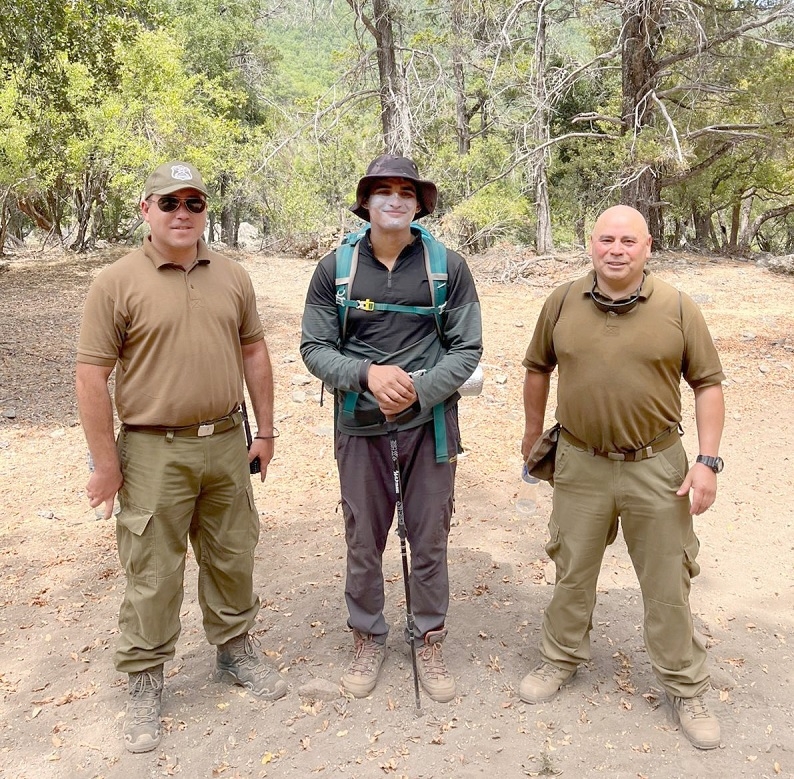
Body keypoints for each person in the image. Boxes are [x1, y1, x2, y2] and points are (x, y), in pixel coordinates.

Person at [75, 161, 287, 754]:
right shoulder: (115, 282)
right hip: (150, 449)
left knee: (232, 552)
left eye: (194, 203)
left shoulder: (233, 276)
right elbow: (92, 377)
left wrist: (265, 431)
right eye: (169, 203)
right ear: (146, 209)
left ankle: (235, 652)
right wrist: (106, 464)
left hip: (225, 442)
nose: (182, 214)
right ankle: (144, 680)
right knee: (153, 569)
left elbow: (254, 355)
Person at [520, 205, 725, 750]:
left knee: (667, 579)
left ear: (647, 246)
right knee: (571, 567)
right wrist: (531, 431)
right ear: (591, 244)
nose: (616, 249)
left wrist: (707, 461)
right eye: (606, 239)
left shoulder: (679, 308)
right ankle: (559, 658)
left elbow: (708, 384)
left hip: (658, 467)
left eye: (628, 241)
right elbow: (537, 367)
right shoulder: (561, 301)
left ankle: (685, 685)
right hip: (580, 462)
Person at [300, 155, 482, 702]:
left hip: (431, 424)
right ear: (366, 202)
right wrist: (368, 375)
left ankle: (429, 637)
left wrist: (418, 392)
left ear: (420, 203)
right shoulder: (335, 269)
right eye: (383, 190)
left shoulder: (448, 266)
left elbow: (467, 348)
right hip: (359, 422)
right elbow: (314, 347)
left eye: (407, 191)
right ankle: (367, 636)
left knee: (429, 533)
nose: (395, 200)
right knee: (364, 533)